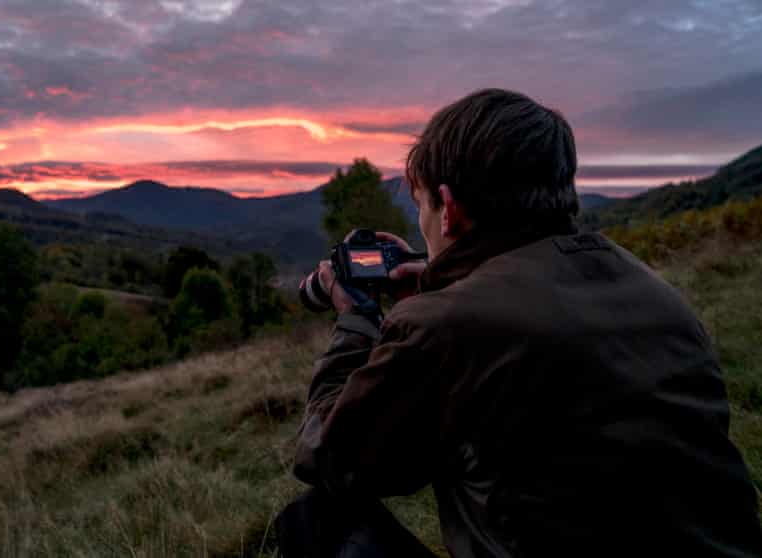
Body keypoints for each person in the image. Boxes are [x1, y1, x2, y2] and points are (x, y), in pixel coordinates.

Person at [276, 89, 762, 557]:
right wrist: (447, 288)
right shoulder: (656, 294)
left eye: (422, 205)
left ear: (449, 209)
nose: (423, 222)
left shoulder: (447, 326)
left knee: (318, 520)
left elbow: (331, 458)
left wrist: (358, 321)